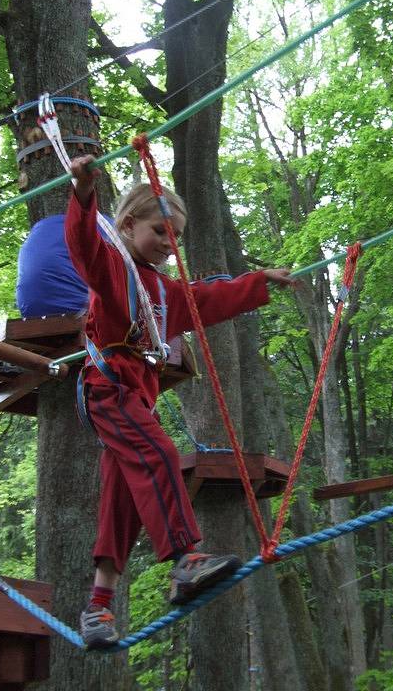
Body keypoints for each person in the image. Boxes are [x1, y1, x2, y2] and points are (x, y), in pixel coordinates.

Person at [65, 154, 293, 649]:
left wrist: (258, 283)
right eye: (160, 232)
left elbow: (205, 300)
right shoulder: (115, 269)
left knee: (122, 498)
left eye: (176, 237)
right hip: (110, 388)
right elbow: (84, 246)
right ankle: (186, 560)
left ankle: (98, 608)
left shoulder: (164, 292)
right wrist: (83, 196)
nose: (170, 245)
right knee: (160, 455)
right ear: (127, 225)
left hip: (132, 398)